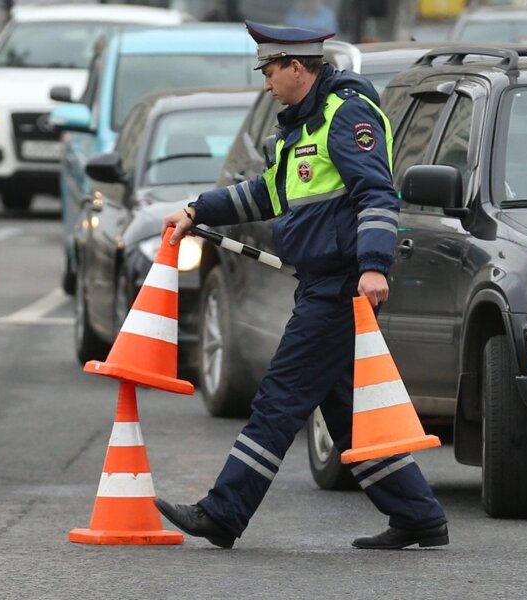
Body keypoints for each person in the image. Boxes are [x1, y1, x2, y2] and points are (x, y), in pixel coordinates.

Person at [155, 20, 448, 550]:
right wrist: (199, 210)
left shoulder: (346, 114)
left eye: (269, 70)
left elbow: (377, 195)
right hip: (320, 283)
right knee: (350, 416)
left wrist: (374, 264)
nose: (265, 83)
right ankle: (418, 516)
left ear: (296, 66)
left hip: (340, 289)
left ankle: (223, 513)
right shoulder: (300, 128)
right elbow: (267, 193)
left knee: (278, 400)